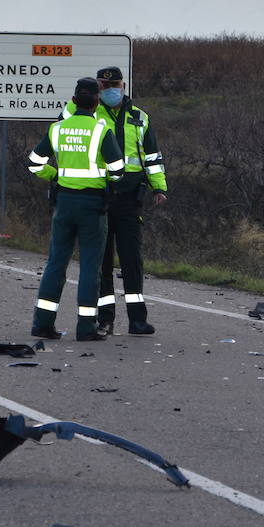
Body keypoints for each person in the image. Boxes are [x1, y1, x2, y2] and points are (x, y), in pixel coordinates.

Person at [26, 78, 126, 341]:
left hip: (64, 203)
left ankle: (43, 323)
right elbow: (118, 171)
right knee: (91, 266)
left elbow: (34, 163)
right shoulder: (101, 131)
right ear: (97, 102)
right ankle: (86, 326)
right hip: (93, 205)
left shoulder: (57, 128)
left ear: (73, 101)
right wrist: (104, 178)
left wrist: (56, 176)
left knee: (56, 262)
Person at [93, 65, 168, 335]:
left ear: (123, 86)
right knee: (101, 260)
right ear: (97, 87)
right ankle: (105, 319)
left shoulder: (140, 117)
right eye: (104, 85)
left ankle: (137, 320)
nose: (111, 90)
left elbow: (152, 157)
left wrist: (159, 188)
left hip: (130, 198)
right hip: (98, 196)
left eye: (115, 86)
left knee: (131, 259)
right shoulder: (89, 114)